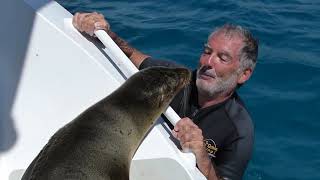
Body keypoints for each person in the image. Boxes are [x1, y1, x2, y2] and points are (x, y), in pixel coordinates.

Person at [72, 12, 258, 180]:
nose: (208, 62)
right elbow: (130, 56)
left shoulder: (239, 130)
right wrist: (100, 29)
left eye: (222, 58)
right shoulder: (172, 77)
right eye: (207, 51)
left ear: (244, 74)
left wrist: (202, 154)